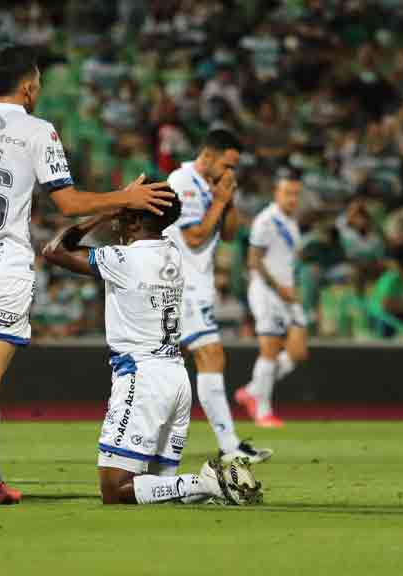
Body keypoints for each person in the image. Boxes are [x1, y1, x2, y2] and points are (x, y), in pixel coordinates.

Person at [0, 45, 173, 507]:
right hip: (4, 268)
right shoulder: (37, 131)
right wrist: (125, 197)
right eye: (37, 84)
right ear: (28, 87)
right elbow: (69, 204)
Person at [41, 193, 260, 506]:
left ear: (134, 220)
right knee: (160, 491)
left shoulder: (125, 260)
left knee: (114, 490)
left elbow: (54, 250)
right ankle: (209, 488)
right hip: (176, 378)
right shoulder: (172, 251)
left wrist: (105, 209)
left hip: (142, 380)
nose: (118, 219)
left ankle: (209, 481)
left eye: (125, 213)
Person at [163, 129, 272, 463]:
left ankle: (164, 444)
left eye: (234, 168)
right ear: (208, 155)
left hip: (197, 282)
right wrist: (220, 200)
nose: (230, 173)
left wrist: (229, 198)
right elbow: (195, 237)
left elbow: (227, 234)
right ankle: (229, 446)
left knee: (181, 361)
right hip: (180, 281)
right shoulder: (183, 182)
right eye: (228, 165)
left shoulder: (213, 187)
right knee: (210, 355)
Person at [237, 174, 308, 427]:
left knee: (298, 350)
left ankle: (253, 389)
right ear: (276, 193)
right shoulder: (266, 221)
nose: (293, 198)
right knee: (270, 349)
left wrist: (291, 288)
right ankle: (262, 411)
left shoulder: (292, 222)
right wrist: (279, 288)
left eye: (296, 194)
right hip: (267, 292)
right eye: (288, 193)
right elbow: (254, 260)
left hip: (287, 293)